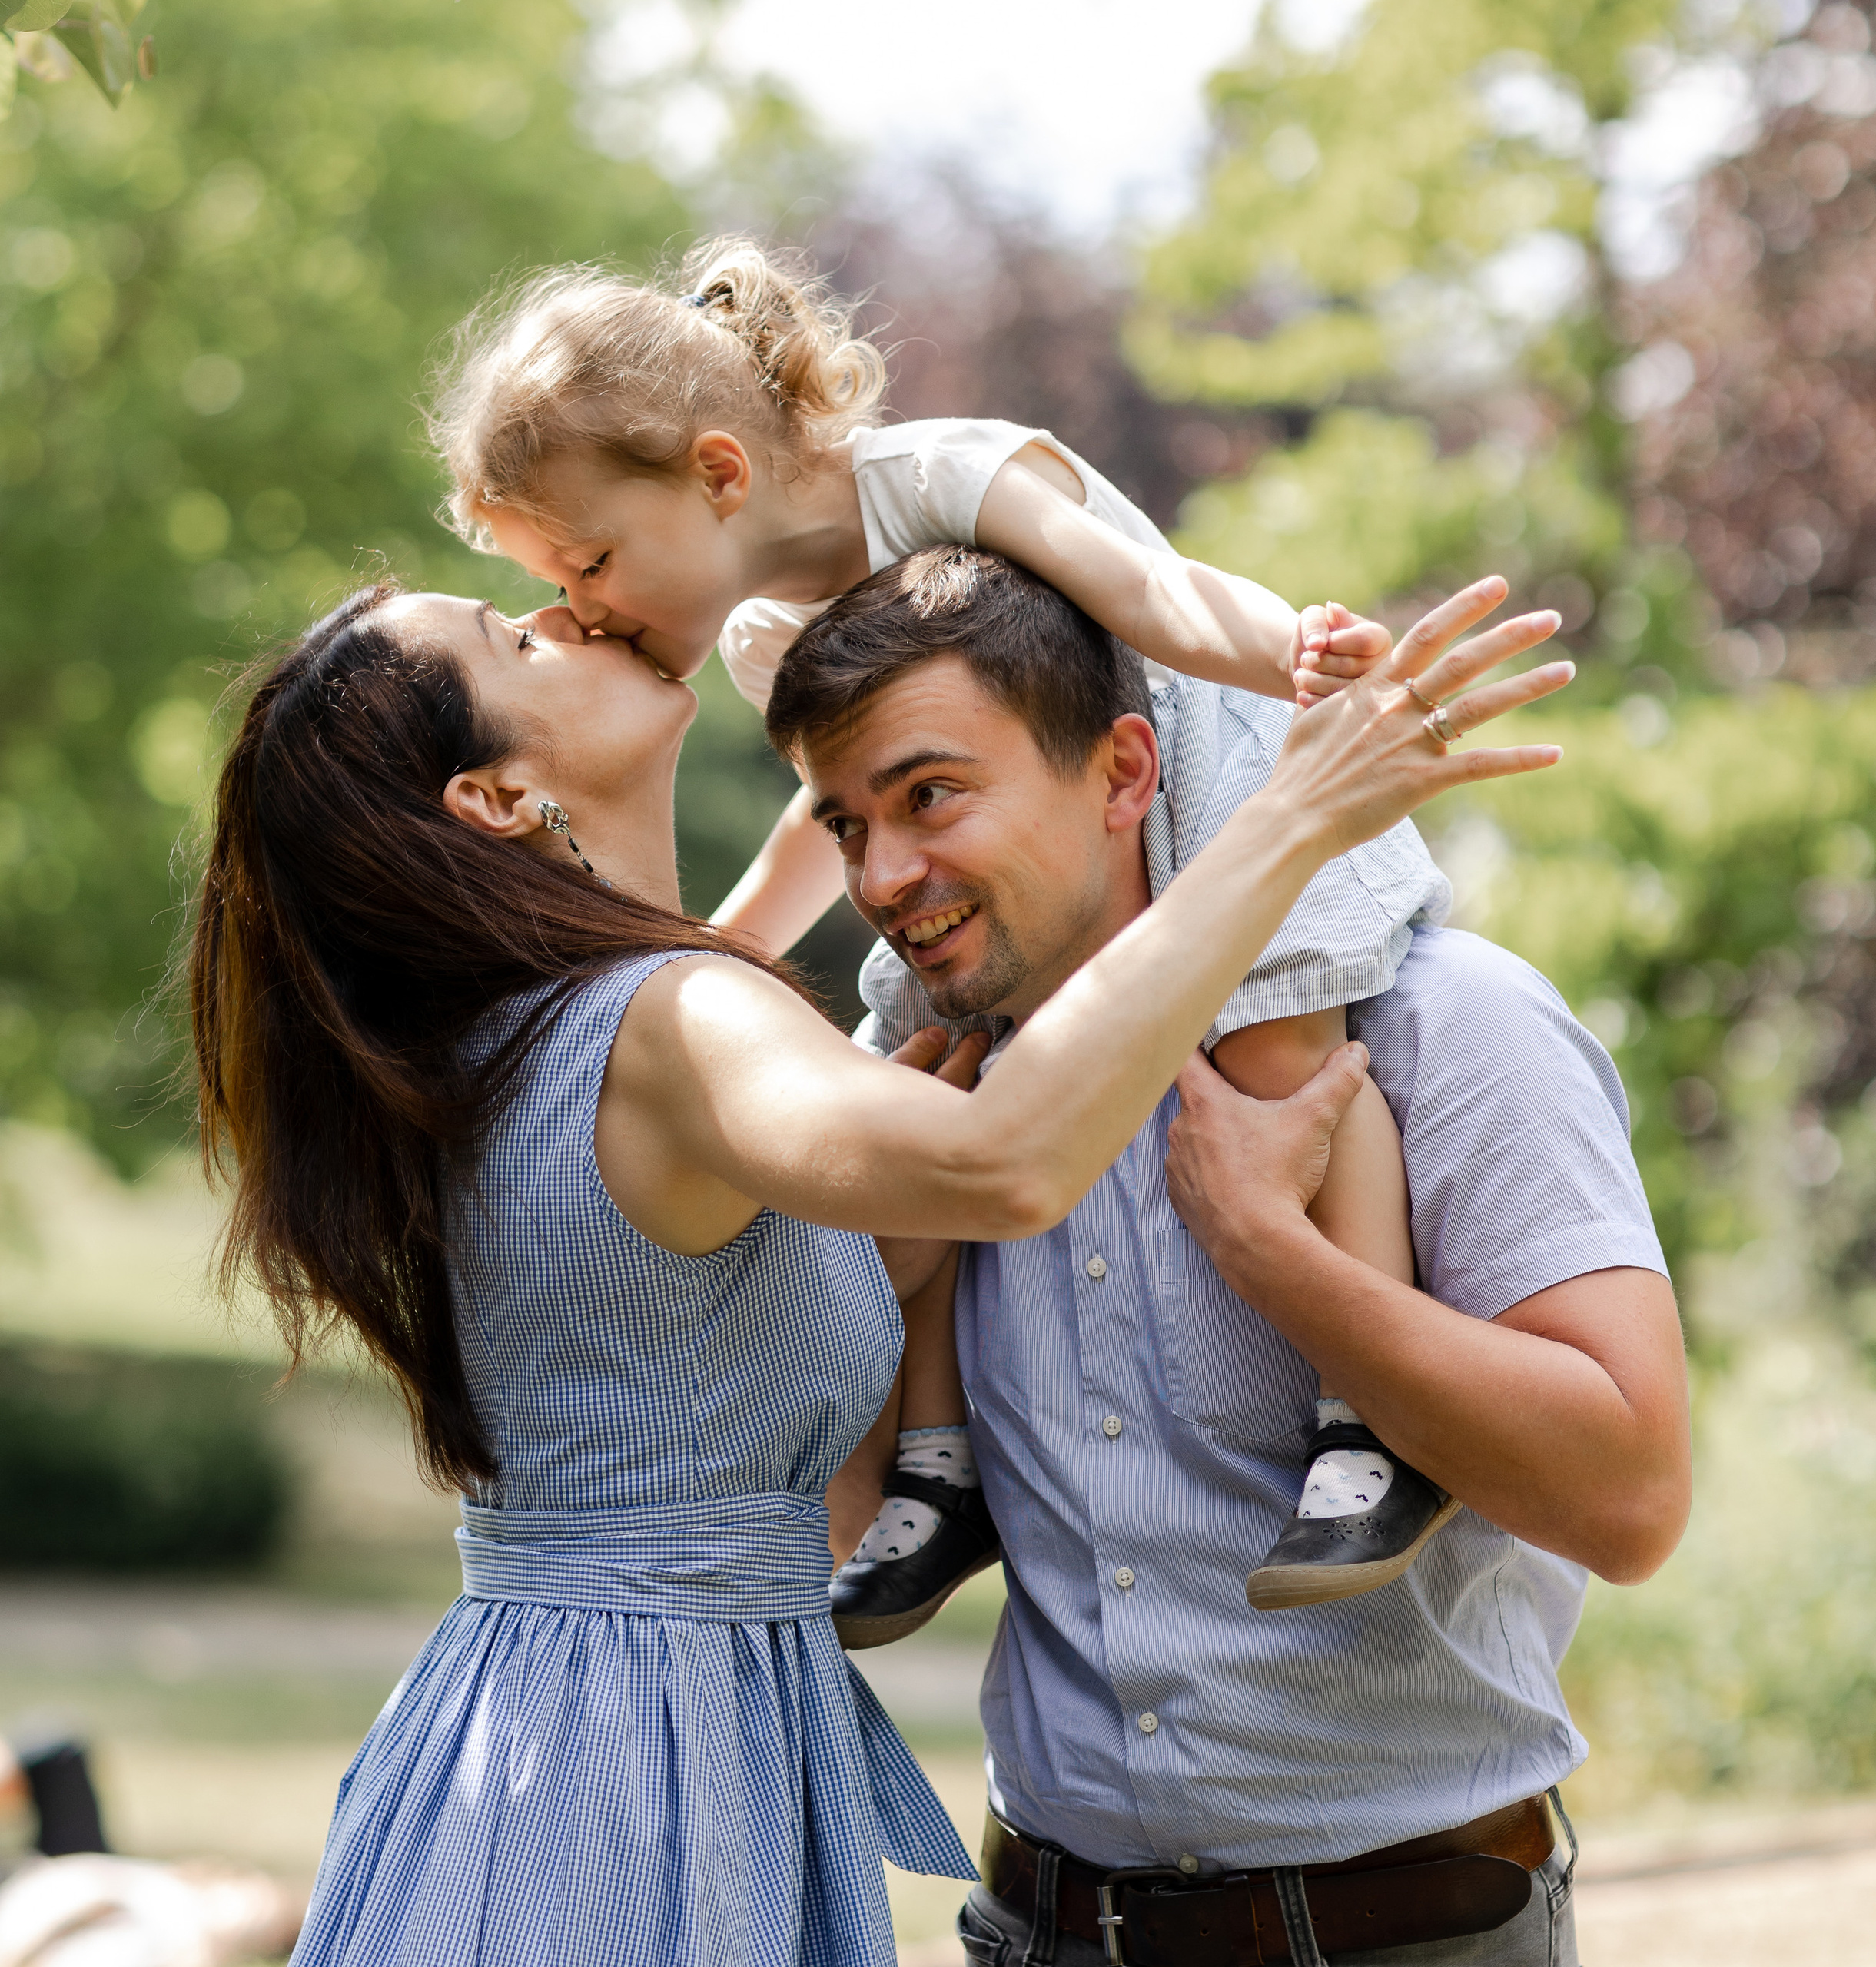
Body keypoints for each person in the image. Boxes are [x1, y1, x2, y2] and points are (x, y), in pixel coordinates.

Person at [186, 576, 1561, 1967]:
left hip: (552, 1732)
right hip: (641, 1770)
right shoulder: (669, 1022)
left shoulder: (505, 1034)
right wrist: (1290, 814)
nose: (579, 611)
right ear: (491, 798)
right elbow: (1004, 1161)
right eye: (523, 640)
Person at [430, 237, 1463, 1614]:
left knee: (1288, 1042)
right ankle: (940, 1458)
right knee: (905, 1075)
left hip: (1189, 762)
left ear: (720, 474)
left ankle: (1369, 1423)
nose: (580, 608)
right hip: (998, 855)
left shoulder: (943, 478)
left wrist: (1298, 658)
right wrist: (724, 949)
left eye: (593, 560)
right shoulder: (759, 635)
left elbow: (1148, 594)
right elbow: (833, 804)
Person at [765, 548, 1693, 1967]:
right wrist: (877, 1277)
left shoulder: (1451, 1028)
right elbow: (849, 1538)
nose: (886, 876)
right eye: (845, 827)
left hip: (1407, 1936)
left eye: (930, 796)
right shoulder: (926, 1103)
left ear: (1125, 772)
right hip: (1043, 1928)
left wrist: (1279, 1256)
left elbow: (1631, 1501)